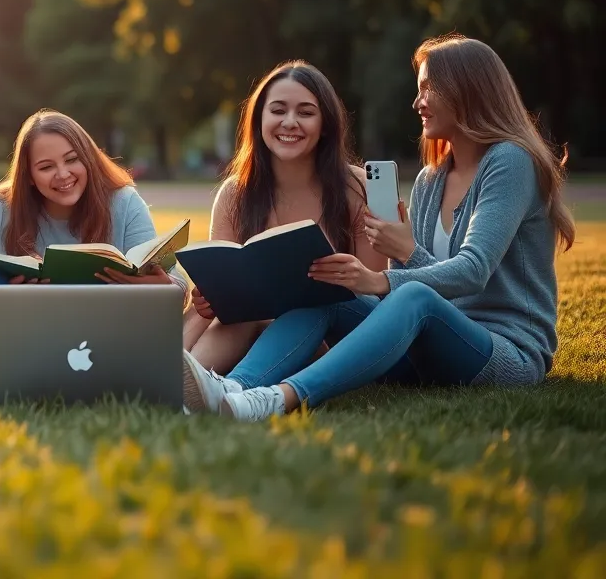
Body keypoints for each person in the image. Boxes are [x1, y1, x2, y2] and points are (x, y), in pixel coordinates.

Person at [183, 35, 575, 421]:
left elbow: (471, 270)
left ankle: (278, 398)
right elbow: (419, 287)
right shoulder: (430, 180)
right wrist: (402, 259)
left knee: (412, 297)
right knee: (324, 294)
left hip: (504, 352)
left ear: (466, 90)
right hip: (426, 349)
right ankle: (233, 389)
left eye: (427, 89)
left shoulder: (510, 162)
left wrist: (381, 277)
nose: (417, 102)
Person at [0, 110, 186, 406]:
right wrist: (12, 294)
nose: (63, 174)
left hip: (101, 338)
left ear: (88, 159)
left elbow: (179, 289)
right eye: (46, 167)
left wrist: (161, 284)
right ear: (28, 175)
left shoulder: (124, 201)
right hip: (18, 336)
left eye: (72, 160)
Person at [183, 61, 386, 376]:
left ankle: (201, 381)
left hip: (335, 336)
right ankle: (182, 382)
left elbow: (373, 295)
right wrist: (208, 301)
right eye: (277, 111)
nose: (289, 122)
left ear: (326, 124)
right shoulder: (235, 193)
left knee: (297, 310)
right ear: (259, 119)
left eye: (306, 113)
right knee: (239, 315)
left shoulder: (359, 188)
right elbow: (225, 296)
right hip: (252, 333)